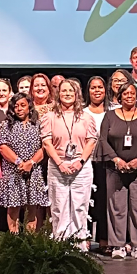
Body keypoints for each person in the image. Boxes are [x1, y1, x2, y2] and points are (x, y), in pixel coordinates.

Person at [98, 83, 137, 258]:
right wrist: (116, 159)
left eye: (132, 93)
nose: (129, 96)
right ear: (120, 97)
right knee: (117, 207)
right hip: (115, 169)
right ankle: (117, 245)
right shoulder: (109, 116)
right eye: (125, 93)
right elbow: (103, 140)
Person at [41, 80, 98, 245]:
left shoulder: (86, 117)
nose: (67, 94)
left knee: (80, 206)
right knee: (59, 206)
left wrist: (80, 161)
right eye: (64, 91)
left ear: (77, 94)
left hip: (81, 165)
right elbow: (47, 143)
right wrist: (60, 163)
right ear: (58, 94)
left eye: (70, 91)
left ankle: (79, 244)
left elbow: (91, 141)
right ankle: (60, 244)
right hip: (58, 164)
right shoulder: (49, 117)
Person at [0, 93, 47, 233]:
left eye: (23, 105)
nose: (19, 109)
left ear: (29, 107)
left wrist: (30, 163)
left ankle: (30, 244)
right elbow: (2, 146)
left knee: (32, 209)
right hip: (13, 172)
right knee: (13, 208)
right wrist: (19, 162)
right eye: (16, 106)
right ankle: (13, 241)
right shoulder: (6, 125)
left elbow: (44, 147)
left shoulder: (38, 125)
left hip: (33, 172)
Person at [84, 76, 110, 254]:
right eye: (93, 88)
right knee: (85, 201)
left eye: (100, 87)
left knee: (104, 201)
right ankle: (84, 238)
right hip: (86, 162)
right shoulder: (83, 113)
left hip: (106, 163)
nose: (97, 90)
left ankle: (103, 239)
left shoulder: (113, 112)